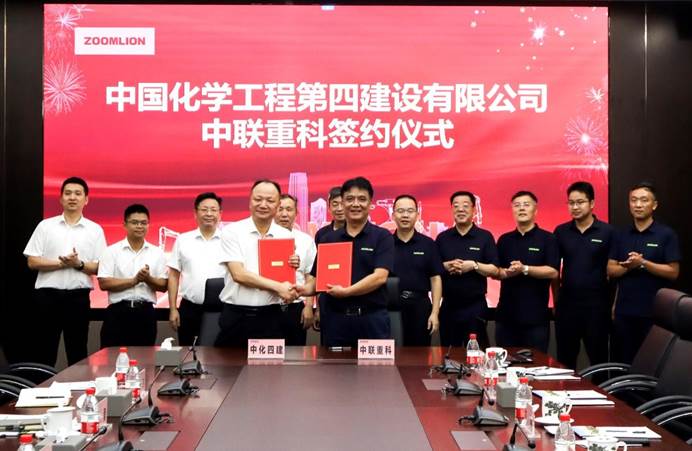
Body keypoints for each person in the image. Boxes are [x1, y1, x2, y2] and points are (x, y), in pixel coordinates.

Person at [298, 176, 394, 346]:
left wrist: (347, 291)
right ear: (342, 203)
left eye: (362, 199)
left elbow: (380, 277)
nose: (355, 204)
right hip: (335, 321)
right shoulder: (329, 239)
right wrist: (301, 290)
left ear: (370, 203)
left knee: (375, 364)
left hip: (372, 320)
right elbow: (318, 281)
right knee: (334, 363)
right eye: (350, 199)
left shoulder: (382, 236)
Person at [24, 177, 107, 366]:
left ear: (86, 199)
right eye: (68, 193)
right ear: (61, 198)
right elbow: (32, 261)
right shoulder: (45, 226)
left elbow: (100, 267)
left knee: (77, 351)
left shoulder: (94, 230)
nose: (72, 197)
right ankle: (43, 385)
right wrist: (61, 264)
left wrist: (78, 264)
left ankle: (79, 386)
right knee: (44, 350)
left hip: (77, 298)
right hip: (47, 297)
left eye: (78, 194)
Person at [215, 180, 299, 347]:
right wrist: (279, 287)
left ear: (278, 205)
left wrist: (292, 265)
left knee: (270, 364)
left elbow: (284, 276)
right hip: (237, 316)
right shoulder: (232, 232)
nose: (263, 204)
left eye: (270, 200)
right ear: (250, 201)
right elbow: (239, 275)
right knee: (230, 363)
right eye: (258, 199)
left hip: (271, 316)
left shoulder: (285, 235)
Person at [608, 182, 680, 364]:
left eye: (643, 200)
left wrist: (643, 263)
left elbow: (673, 272)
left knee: (650, 364)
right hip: (624, 312)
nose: (638, 205)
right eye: (633, 200)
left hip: (654, 313)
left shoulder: (666, 234)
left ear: (654, 205)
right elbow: (611, 270)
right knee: (622, 363)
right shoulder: (621, 234)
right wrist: (629, 266)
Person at [553, 181, 615, 369]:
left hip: (597, 306)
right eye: (571, 203)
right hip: (567, 306)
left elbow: (614, 272)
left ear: (592, 203)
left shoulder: (607, 232)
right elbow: (554, 271)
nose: (575, 207)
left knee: (599, 360)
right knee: (565, 362)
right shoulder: (561, 231)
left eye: (580, 202)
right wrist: (557, 301)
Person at [495, 191, 559, 353]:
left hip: (536, 318)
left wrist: (525, 269)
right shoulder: (504, 240)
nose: (521, 208)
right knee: (505, 364)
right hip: (506, 317)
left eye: (526, 205)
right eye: (517, 205)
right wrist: (507, 272)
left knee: (536, 364)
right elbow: (496, 272)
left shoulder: (548, 239)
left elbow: (553, 272)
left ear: (535, 210)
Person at [435, 191, 498, 349]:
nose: (460, 209)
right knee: (448, 353)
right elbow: (434, 269)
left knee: (476, 354)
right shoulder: (442, 238)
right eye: (456, 206)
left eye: (465, 205)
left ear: (474, 210)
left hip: (475, 305)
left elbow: (494, 270)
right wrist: (446, 266)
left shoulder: (484, 237)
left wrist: (474, 265)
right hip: (449, 305)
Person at [98, 204, 168, 347]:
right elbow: (104, 283)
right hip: (117, 312)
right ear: (125, 224)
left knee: (145, 357)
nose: (139, 226)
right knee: (112, 356)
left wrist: (148, 279)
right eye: (135, 222)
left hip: (146, 313)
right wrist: (134, 281)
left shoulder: (157, 253)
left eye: (143, 223)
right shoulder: (111, 251)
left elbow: (163, 286)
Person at [167, 192, 227, 346]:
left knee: (221, 355)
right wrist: (173, 309)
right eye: (204, 209)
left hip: (222, 309)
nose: (209, 214)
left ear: (220, 214)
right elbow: (173, 275)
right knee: (189, 353)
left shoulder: (229, 240)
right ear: (195, 213)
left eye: (213, 210)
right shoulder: (183, 240)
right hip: (190, 309)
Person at [390, 194, 444, 346]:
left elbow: (435, 279)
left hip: (420, 307)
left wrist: (435, 312)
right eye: (400, 211)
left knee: (419, 354)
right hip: (391, 307)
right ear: (393, 215)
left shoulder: (428, 244)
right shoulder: (385, 244)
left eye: (410, 211)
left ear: (417, 215)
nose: (405, 215)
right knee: (391, 353)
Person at [275, 194, 317, 345]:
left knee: (296, 353)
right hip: (267, 307)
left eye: (289, 209)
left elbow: (310, 276)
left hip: (295, 307)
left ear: (296, 213)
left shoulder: (306, 240)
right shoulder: (262, 239)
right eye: (280, 209)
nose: (284, 214)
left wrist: (308, 306)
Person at [314, 186, 346, 334]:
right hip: (328, 299)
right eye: (335, 204)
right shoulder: (322, 235)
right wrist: (318, 309)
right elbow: (318, 272)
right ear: (329, 207)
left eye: (343, 203)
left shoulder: (358, 232)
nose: (339, 208)